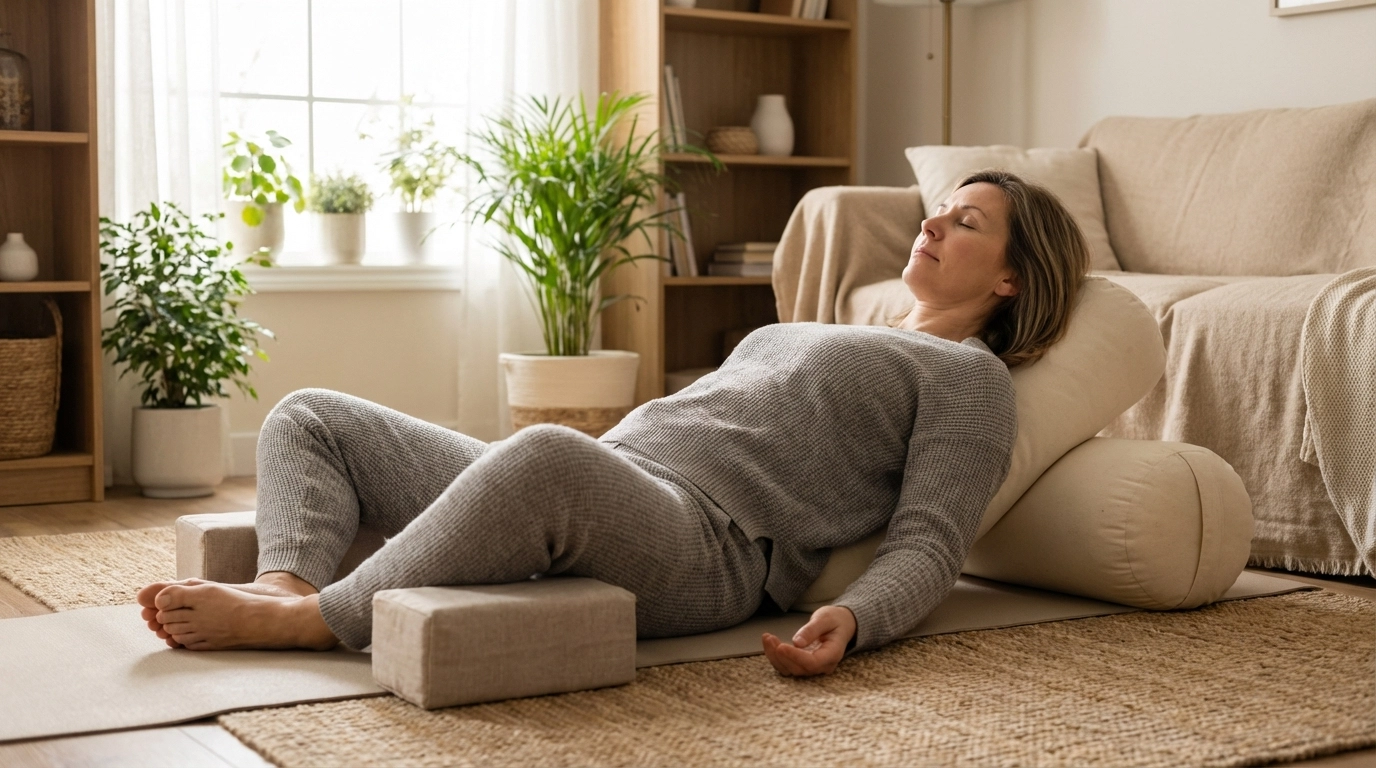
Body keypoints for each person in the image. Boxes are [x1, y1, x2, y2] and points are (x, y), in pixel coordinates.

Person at [136, 170, 1091, 677]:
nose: (932, 224)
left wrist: (858, 617)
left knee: (547, 455)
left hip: (708, 543)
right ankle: (283, 581)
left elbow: (932, 539)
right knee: (312, 414)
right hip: (609, 475)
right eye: (939, 211)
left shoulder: (969, 378)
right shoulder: (839, 326)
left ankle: (315, 622)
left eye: (967, 223)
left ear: (1013, 277)